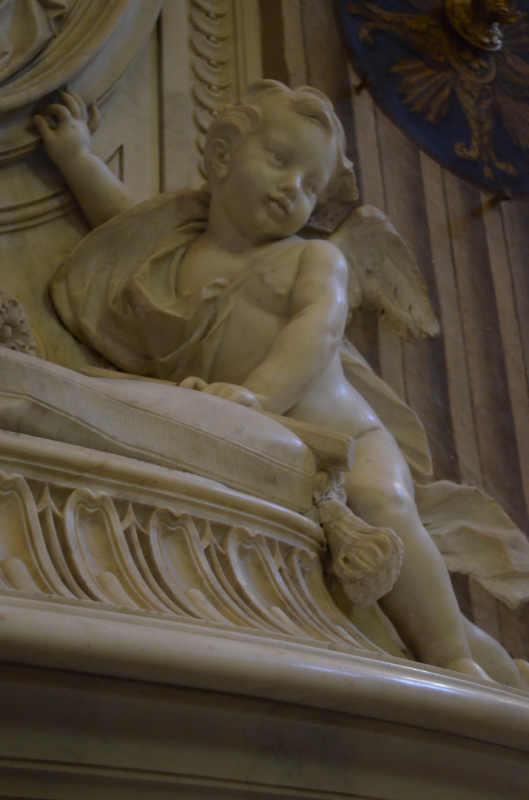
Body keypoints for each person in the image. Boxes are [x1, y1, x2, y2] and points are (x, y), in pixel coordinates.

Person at [34, 82, 529, 686]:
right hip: (264, 440)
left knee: (382, 506)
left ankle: (456, 665)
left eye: (312, 185)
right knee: (393, 607)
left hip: (350, 441)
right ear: (222, 156)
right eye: (279, 159)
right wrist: (76, 157)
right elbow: (120, 223)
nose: (294, 186)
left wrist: (259, 394)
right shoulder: (172, 251)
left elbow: (316, 328)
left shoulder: (311, 259)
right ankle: (508, 676)